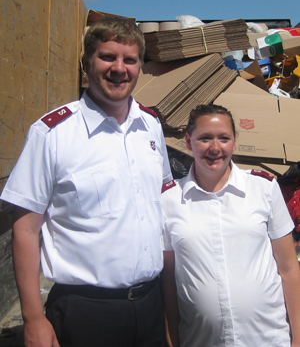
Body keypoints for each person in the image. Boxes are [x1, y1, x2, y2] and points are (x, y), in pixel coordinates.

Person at [1, 17, 173, 347]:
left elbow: (162, 206)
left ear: (140, 67)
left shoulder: (150, 127)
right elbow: (25, 229)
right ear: (86, 63)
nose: (119, 68)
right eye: (108, 57)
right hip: (85, 313)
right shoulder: (52, 134)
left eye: (130, 60)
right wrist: (33, 318)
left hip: (150, 304)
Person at [160, 104, 300, 347]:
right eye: (204, 138)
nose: (215, 148)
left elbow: (289, 269)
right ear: (189, 142)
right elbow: (168, 283)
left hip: (267, 339)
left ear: (234, 143)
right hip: (200, 341)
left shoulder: (263, 189)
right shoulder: (169, 200)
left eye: (224, 138)